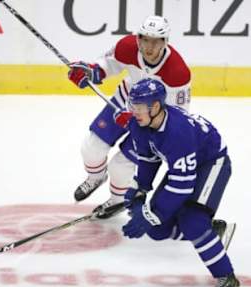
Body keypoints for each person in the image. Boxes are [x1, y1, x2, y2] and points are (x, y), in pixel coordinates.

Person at [121, 78, 243, 287]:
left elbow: (182, 185)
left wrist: (150, 213)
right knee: (157, 230)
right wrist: (139, 188)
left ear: (155, 106)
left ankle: (228, 279)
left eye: (138, 107)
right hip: (183, 166)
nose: (134, 112)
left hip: (211, 163)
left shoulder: (178, 131)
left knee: (192, 221)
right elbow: (148, 159)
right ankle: (213, 233)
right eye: (132, 105)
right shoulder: (139, 125)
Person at [68, 15, 191, 217]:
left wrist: (140, 122)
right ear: (138, 38)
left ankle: (117, 201)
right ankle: (96, 177)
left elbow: (178, 116)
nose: (149, 47)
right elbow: (107, 65)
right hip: (124, 100)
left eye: (156, 41)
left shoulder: (177, 72)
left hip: (151, 121)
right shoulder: (127, 46)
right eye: (145, 39)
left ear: (165, 42)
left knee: (120, 165)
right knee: (91, 148)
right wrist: (90, 73)